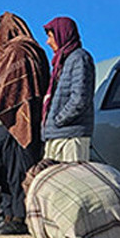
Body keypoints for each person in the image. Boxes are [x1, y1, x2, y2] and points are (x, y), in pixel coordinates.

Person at [0, 12, 50, 235]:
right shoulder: (17, 52)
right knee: (7, 170)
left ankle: (19, 218)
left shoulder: (19, 51)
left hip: (18, 123)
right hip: (10, 123)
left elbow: (9, 89)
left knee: (19, 172)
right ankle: (9, 217)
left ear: (8, 31)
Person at [40, 16, 95, 161]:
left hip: (70, 137)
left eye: (50, 36)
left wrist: (59, 120)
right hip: (57, 135)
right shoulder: (61, 62)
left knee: (73, 180)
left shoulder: (79, 58)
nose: (48, 42)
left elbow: (80, 98)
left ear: (61, 34)